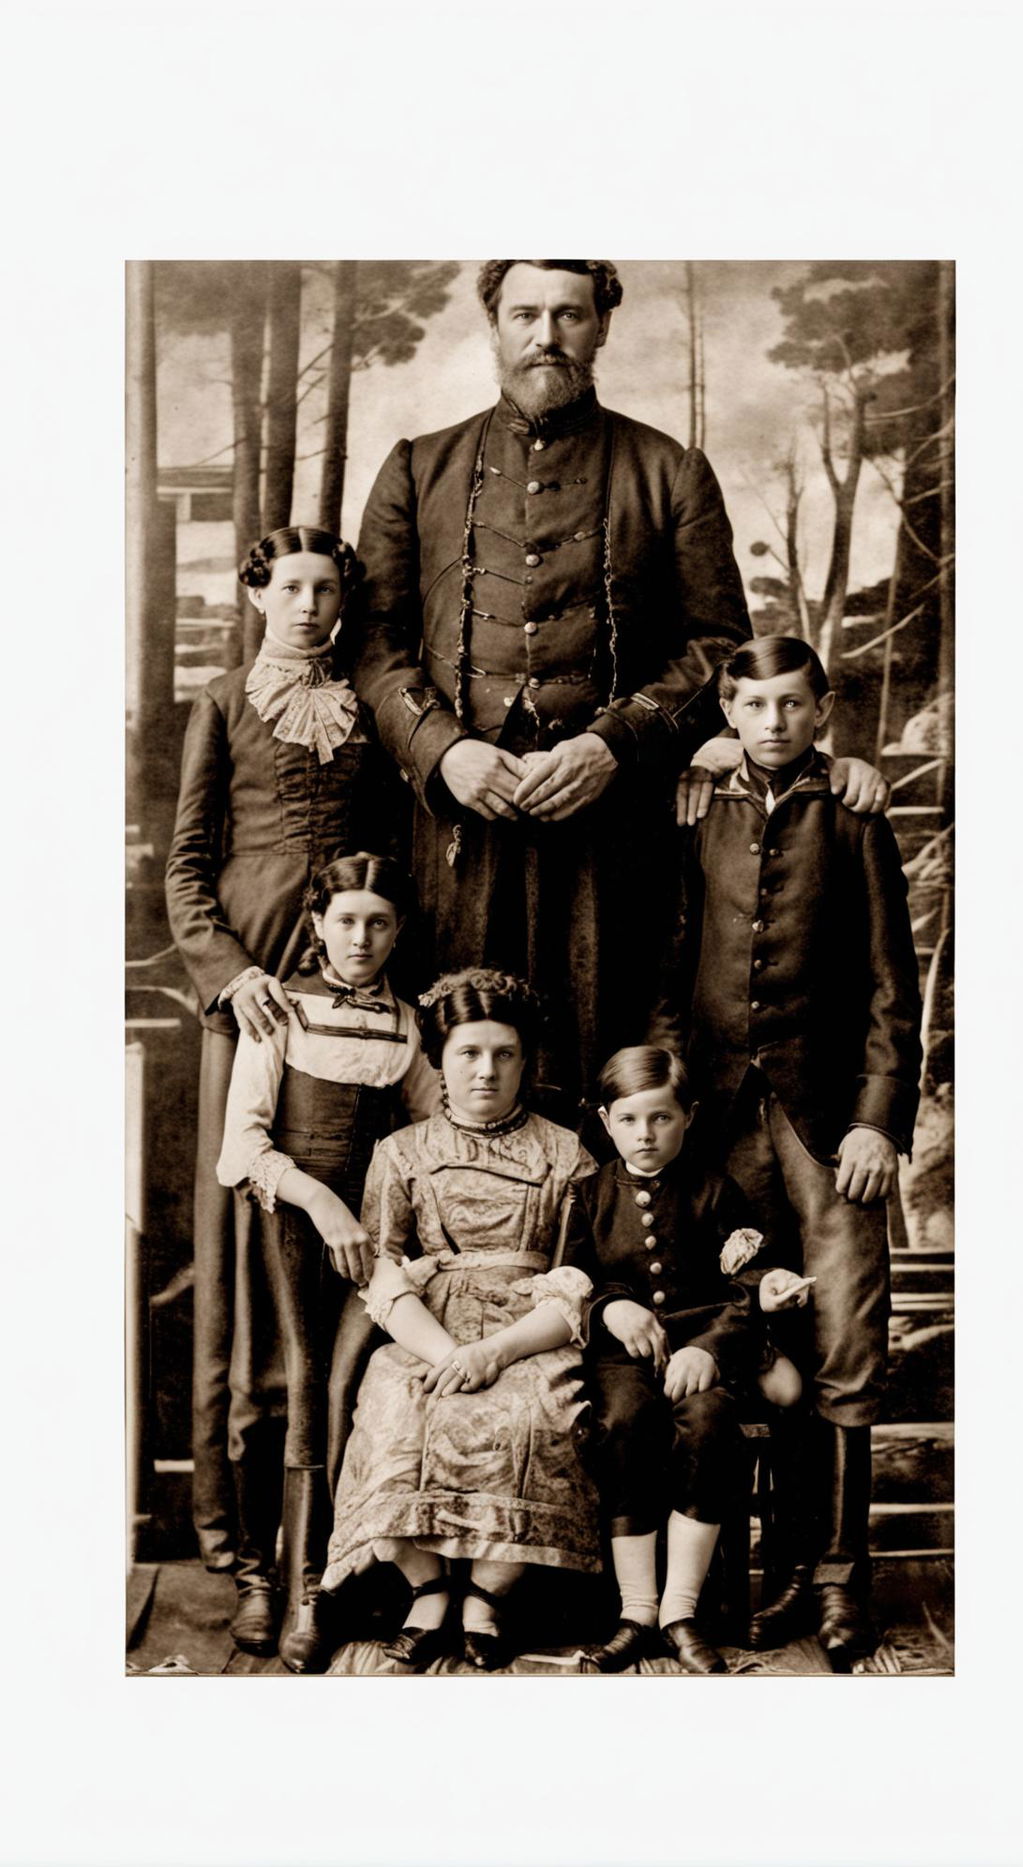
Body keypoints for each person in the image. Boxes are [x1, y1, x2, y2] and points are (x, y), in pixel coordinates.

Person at [351, 260, 886, 1107]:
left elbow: (719, 644)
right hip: (456, 832)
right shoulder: (420, 469)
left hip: (611, 836)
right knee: (457, 1064)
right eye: (525, 314)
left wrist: (613, 744)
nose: (546, 336)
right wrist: (440, 749)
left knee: (606, 1063)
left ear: (602, 327)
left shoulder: (668, 470)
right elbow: (373, 644)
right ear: (493, 324)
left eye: (569, 315)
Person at [651, 634, 923, 1669]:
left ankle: (843, 1581)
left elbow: (895, 990)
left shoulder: (853, 819)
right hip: (722, 1121)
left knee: (846, 1334)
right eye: (752, 703)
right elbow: (675, 964)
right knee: (752, 1328)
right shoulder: (696, 811)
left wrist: (878, 1121)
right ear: (729, 708)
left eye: (792, 705)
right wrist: (675, 1086)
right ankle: (763, 1573)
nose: (772, 721)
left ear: (822, 711)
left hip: (826, 1125)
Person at [165, 526, 397, 1580]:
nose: (310, 604)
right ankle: (238, 1530)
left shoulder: (365, 709)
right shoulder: (220, 703)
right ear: (259, 594)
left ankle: (346, 1524)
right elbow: (185, 870)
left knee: (351, 1233)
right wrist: (231, 971)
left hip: (350, 998)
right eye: (291, 587)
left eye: (327, 588)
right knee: (245, 1253)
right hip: (254, 1001)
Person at [319, 969, 600, 1673]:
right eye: (469, 1053)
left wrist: (496, 1352)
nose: (487, 1070)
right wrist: (447, 1351)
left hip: (530, 1325)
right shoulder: (403, 1152)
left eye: (504, 1053)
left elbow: (578, 1281)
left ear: (526, 1060)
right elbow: (384, 1271)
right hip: (426, 1324)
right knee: (396, 1407)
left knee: (536, 1412)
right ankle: (428, 1588)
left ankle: (487, 1594)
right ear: (439, 1060)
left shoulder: (565, 1152)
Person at [215, 853, 439, 1669]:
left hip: (374, 1238)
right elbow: (242, 1142)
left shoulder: (406, 1024)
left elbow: (431, 1130)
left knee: (354, 1382)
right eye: (345, 919)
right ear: (316, 925)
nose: (361, 937)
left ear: (399, 930)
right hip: (293, 1217)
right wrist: (320, 1200)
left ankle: (332, 1584)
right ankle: (266, 1579)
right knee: (288, 1380)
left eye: (378, 922)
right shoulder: (283, 1014)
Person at [562, 1045, 810, 1674]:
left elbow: (746, 1282)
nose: (644, 1135)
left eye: (662, 1118)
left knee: (708, 1426)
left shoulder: (716, 1190)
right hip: (620, 1359)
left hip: (703, 1354)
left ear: (689, 1116)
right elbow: (570, 1278)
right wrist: (609, 1308)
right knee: (622, 1425)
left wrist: (710, 1348)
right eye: (628, 1120)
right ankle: (636, 1610)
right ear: (603, 1120)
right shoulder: (587, 1196)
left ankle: (680, 1610)